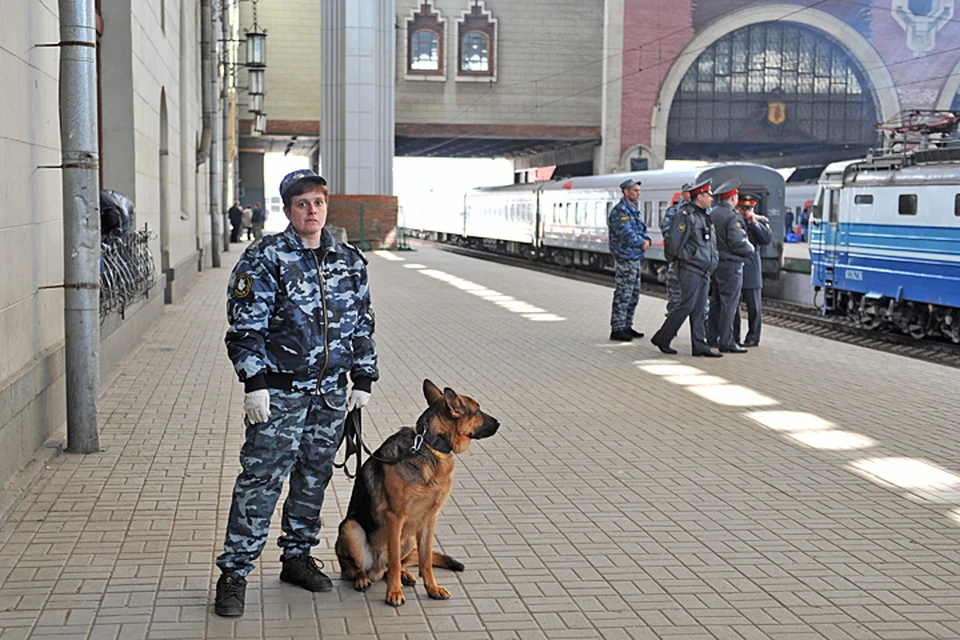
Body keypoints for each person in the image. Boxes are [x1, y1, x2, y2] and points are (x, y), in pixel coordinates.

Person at [214, 169, 378, 618]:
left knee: (313, 479)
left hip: (329, 397)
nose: (312, 211)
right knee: (260, 482)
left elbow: (362, 323)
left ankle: (297, 558)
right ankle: (234, 573)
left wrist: (363, 378)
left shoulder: (348, 260)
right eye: (302, 203)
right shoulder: (265, 258)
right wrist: (254, 384)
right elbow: (245, 329)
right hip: (279, 396)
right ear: (288, 210)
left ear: (327, 207)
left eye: (318, 203)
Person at [650, 179, 721, 357]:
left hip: (703, 268)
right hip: (691, 267)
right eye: (709, 196)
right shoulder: (685, 215)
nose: (711, 199)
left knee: (698, 308)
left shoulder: (703, 216)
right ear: (700, 197)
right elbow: (673, 242)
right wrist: (679, 261)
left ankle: (699, 345)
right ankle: (663, 337)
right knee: (687, 305)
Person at [706, 180, 754, 354]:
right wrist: (751, 250)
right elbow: (738, 242)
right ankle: (727, 341)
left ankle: (711, 337)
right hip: (731, 266)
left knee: (716, 302)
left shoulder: (712, 214)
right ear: (733, 197)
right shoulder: (732, 217)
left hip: (716, 264)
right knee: (730, 303)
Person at [606, 178, 652, 341]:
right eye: (635, 191)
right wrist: (642, 243)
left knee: (633, 293)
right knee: (623, 293)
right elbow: (626, 234)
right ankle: (617, 328)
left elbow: (642, 230)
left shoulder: (633, 210)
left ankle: (627, 325)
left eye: (638, 191)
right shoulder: (620, 212)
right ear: (626, 192)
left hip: (635, 257)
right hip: (625, 257)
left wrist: (647, 240)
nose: (638, 194)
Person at [733, 193, 773, 347]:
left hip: (752, 269)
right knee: (734, 306)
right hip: (735, 266)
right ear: (737, 207)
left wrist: (753, 222)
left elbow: (767, 239)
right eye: (743, 208)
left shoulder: (761, 220)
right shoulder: (733, 220)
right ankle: (734, 337)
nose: (746, 211)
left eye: (749, 208)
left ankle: (753, 338)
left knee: (754, 307)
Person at [660, 183, 691, 317]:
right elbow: (667, 232)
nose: (690, 194)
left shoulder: (704, 211)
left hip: (695, 262)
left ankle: (702, 333)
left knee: (699, 301)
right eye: (687, 192)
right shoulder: (673, 211)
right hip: (678, 260)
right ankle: (668, 333)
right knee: (674, 299)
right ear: (683, 193)